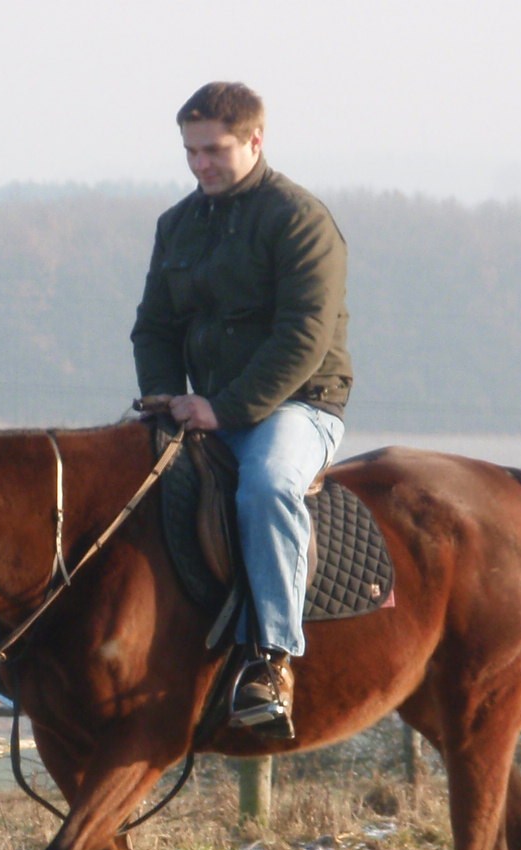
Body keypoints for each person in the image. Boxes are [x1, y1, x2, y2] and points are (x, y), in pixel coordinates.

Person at [132, 81, 351, 739]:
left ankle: (270, 659)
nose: (200, 164)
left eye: (213, 150)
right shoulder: (176, 225)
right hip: (202, 407)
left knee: (265, 486)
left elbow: (304, 339)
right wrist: (167, 398)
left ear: (255, 140)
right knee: (123, 479)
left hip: (298, 406)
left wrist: (224, 409)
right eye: (191, 151)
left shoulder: (300, 221)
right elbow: (154, 328)